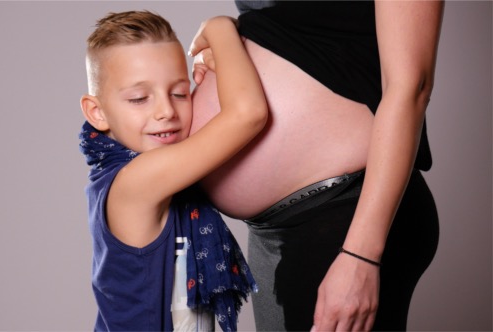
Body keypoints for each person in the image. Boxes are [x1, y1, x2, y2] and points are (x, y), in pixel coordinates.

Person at [190, 1, 444, 331]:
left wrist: (360, 257)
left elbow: (412, 87)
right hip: (273, 229)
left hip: (346, 214)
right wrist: (223, 30)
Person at [78, 11, 266, 332]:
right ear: (97, 113)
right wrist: (218, 28)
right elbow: (247, 113)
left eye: (179, 93)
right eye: (139, 99)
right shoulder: (137, 180)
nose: (166, 111)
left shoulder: (153, 171)